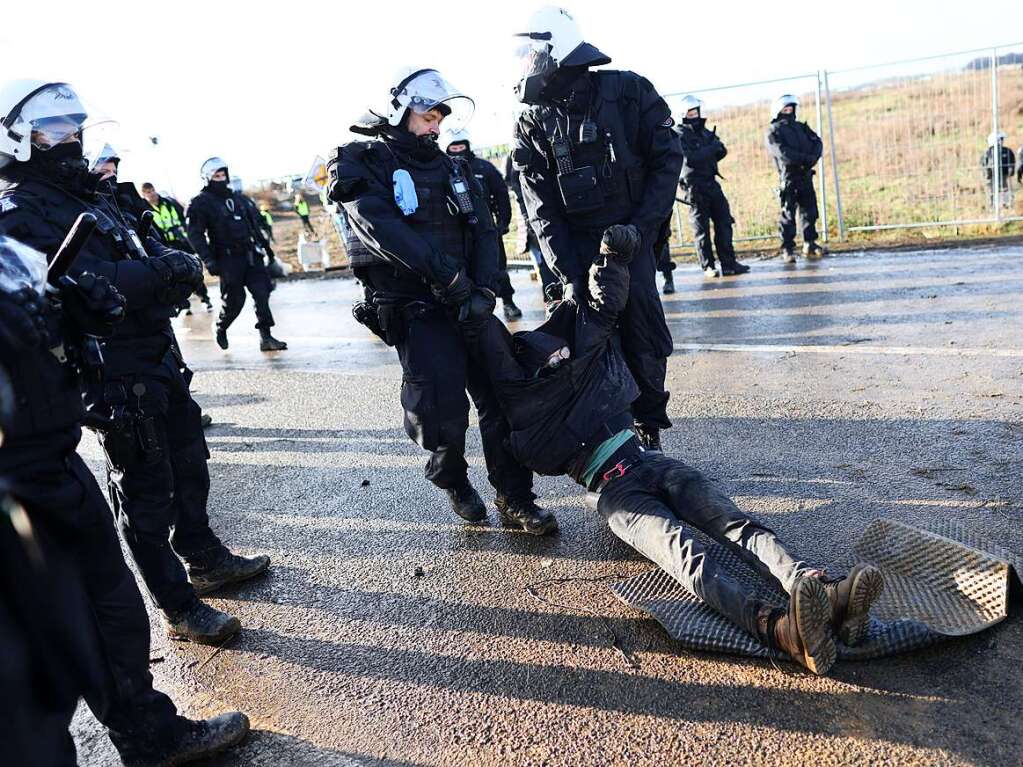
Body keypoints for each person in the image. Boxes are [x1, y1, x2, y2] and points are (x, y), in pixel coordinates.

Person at [460, 224, 885, 675]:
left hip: (650, 462)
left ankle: (821, 591)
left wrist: (612, 258)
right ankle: (780, 628)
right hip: (617, 495)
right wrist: (468, 305)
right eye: (544, 359)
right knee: (686, 555)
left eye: (557, 354)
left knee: (735, 524)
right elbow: (497, 352)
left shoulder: (574, 361)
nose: (557, 359)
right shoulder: (522, 408)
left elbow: (603, 308)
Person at [0, 81, 271, 648]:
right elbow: (66, 288)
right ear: (19, 140)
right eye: (55, 130)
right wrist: (158, 277)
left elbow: (148, 253)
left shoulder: (93, 196)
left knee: (190, 462)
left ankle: (204, 555)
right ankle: (179, 605)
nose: (71, 139)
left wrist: (172, 264)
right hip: (111, 371)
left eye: (74, 127)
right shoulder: (17, 214)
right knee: (146, 491)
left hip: (155, 352)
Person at [0, 209, 249, 766]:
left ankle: (148, 735)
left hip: (50, 460)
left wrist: (77, 323)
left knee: (109, 610)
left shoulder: (5, 248)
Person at [326, 66, 555, 534]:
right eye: (428, 115)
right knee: (442, 411)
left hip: (469, 301)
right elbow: (381, 230)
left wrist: (486, 288)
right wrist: (448, 280)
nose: (435, 125)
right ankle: (452, 479)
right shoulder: (360, 162)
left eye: (438, 117)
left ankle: (515, 495)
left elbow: (485, 227)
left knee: (505, 397)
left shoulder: (453, 166)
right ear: (397, 110)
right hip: (417, 307)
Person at [511, 6, 683, 451]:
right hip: (577, 247)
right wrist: (567, 271)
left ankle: (649, 424)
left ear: (555, 50)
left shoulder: (629, 91)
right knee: (588, 338)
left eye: (531, 52)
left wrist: (640, 231)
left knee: (643, 334)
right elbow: (539, 205)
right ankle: (610, 428)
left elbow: (667, 162)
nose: (526, 63)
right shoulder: (532, 122)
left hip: (633, 239)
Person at [188, 157, 288, 352]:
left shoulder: (239, 199)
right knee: (235, 301)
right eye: (216, 175)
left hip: (252, 256)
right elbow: (195, 235)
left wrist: (268, 251)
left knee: (262, 294)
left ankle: (266, 337)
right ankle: (221, 327)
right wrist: (208, 260)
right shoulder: (200, 203)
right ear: (207, 178)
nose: (221, 178)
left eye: (223, 174)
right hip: (227, 260)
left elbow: (255, 226)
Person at [445, 128, 523, 321]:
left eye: (461, 146)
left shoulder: (484, 168)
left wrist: (503, 222)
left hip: (487, 230)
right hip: (458, 233)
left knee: (498, 269)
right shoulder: (442, 169)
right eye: (453, 147)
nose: (458, 150)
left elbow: (501, 194)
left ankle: (508, 301)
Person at [675, 95, 748, 279]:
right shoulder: (679, 134)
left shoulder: (705, 132)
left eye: (696, 112)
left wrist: (716, 148)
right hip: (694, 188)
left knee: (724, 223)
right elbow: (690, 159)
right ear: (684, 114)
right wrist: (710, 149)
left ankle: (729, 264)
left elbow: (720, 151)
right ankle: (708, 266)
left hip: (711, 183)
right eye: (691, 112)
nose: (695, 115)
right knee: (701, 230)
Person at [766, 94, 825, 262]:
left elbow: (817, 142)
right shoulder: (773, 131)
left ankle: (810, 243)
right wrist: (804, 158)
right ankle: (788, 249)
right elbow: (782, 153)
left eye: (791, 108)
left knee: (810, 211)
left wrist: (812, 157)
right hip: (789, 177)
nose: (789, 111)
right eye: (785, 109)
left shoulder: (801, 127)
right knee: (788, 214)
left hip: (805, 174)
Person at [140, 180, 214, 314]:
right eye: (147, 193)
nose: (151, 194)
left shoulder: (169, 203)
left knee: (192, 271)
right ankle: (185, 305)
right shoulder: (144, 209)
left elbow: (185, 219)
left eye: (152, 191)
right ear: (144, 195)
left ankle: (205, 298)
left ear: (155, 190)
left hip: (181, 242)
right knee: (175, 277)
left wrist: (184, 232)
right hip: (164, 247)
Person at [505, 151, 558, 300]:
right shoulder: (514, 158)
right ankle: (551, 299)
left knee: (548, 263)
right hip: (531, 220)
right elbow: (515, 188)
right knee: (543, 264)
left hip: (540, 216)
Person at [982, 131, 1015, 209]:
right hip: (997, 175)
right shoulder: (990, 152)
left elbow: (983, 165)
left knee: (999, 189)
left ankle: (998, 204)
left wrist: (986, 174)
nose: (1002, 141)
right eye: (1001, 139)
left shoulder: (988, 152)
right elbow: (1012, 164)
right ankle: (999, 204)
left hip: (999, 175)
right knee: (999, 189)